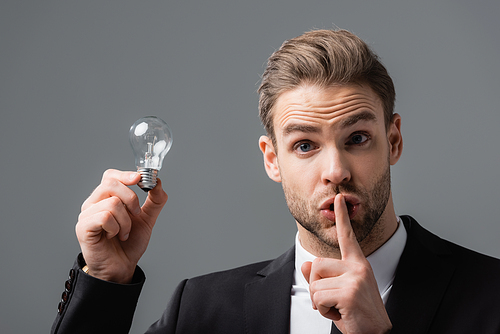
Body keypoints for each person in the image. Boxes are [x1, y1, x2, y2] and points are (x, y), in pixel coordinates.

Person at [51, 29, 500, 334]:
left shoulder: (489, 296)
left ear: (394, 141)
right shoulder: (203, 309)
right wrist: (105, 282)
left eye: (358, 138)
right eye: (305, 145)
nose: (336, 171)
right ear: (272, 160)